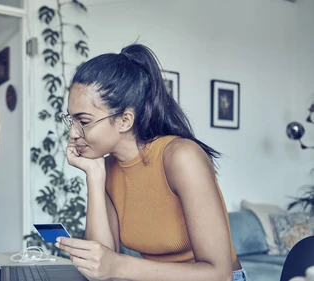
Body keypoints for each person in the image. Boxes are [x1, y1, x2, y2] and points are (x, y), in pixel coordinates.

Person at [55, 43, 246, 281]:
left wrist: (118, 266)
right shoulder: (107, 168)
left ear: (125, 121)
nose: (73, 133)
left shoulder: (181, 157)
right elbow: (100, 268)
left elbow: (220, 274)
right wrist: (94, 175)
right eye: (70, 120)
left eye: (83, 121)